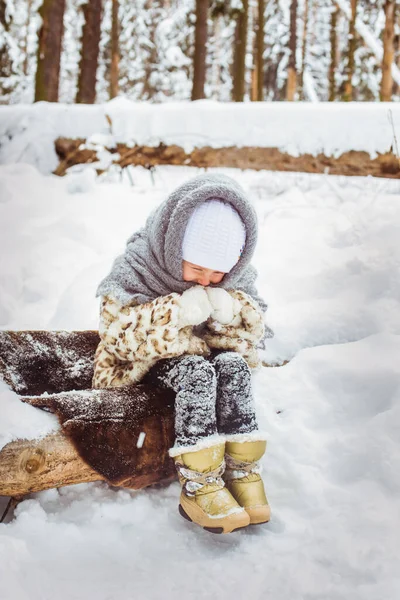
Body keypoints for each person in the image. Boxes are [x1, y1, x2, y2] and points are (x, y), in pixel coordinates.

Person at [93, 173, 272, 534]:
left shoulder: (235, 277)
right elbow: (115, 334)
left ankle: (242, 470)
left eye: (219, 273)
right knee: (195, 370)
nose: (206, 280)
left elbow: (255, 334)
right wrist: (176, 313)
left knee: (234, 366)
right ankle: (198, 483)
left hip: (207, 358)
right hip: (143, 365)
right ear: (175, 248)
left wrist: (232, 312)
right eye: (196, 268)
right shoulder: (139, 265)